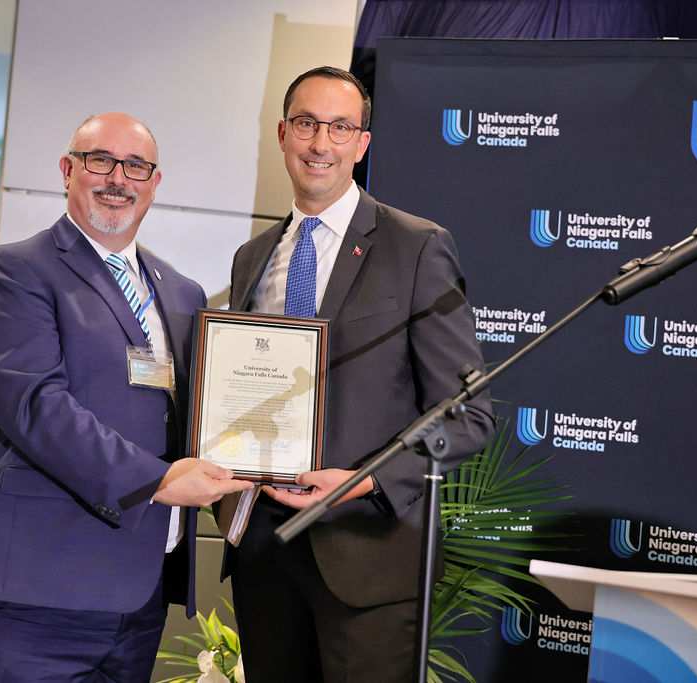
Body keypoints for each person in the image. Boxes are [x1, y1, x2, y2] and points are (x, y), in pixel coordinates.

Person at [0, 112, 253, 682]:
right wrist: (157, 481)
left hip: (140, 594)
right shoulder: (15, 271)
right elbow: (36, 407)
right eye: (100, 161)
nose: (118, 178)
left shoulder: (181, 292)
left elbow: (199, 415)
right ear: (67, 170)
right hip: (39, 590)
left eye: (136, 166)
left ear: (155, 183)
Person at [223, 67, 496, 681]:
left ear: (361, 143)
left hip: (366, 555)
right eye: (307, 124)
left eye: (340, 127)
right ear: (282, 134)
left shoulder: (417, 246)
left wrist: (365, 482)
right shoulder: (252, 258)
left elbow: (468, 415)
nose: (321, 143)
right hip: (264, 547)